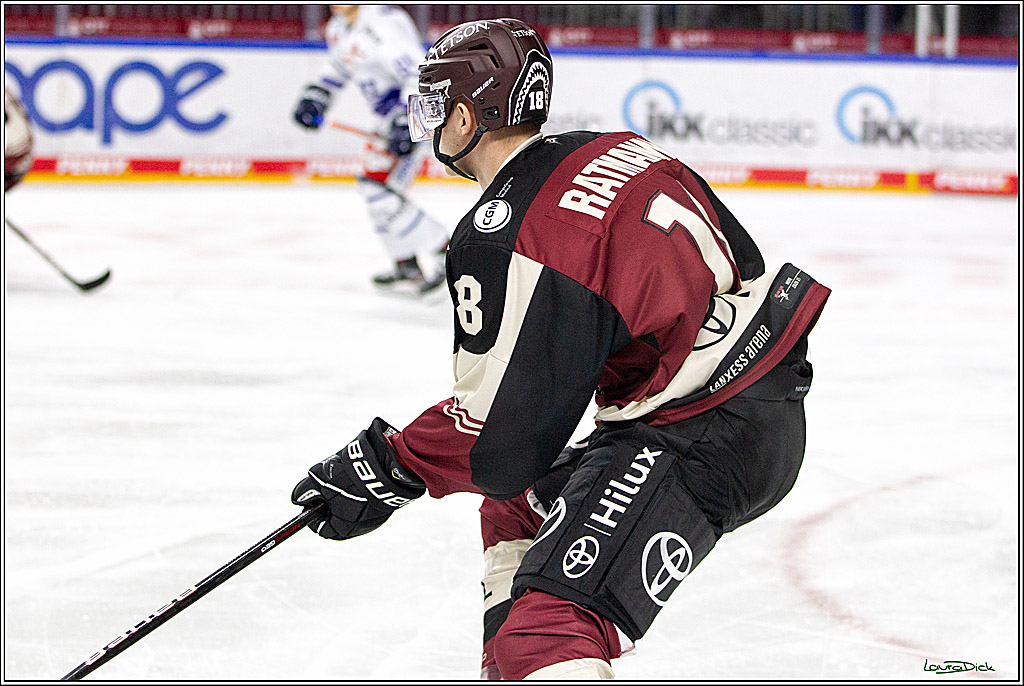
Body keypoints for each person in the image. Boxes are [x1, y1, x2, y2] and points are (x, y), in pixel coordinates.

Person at [291, 18, 831, 680]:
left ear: (466, 118)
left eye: (436, 108)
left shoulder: (504, 234)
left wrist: (386, 466)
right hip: (762, 394)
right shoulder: (619, 147)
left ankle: (533, 658)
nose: (430, 127)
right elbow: (734, 262)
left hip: (700, 433)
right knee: (516, 502)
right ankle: (510, 668)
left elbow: (497, 435)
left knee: (547, 637)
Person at [292, 4, 450, 296]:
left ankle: (446, 251)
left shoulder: (383, 23)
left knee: (376, 189)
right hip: (386, 122)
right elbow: (338, 66)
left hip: (412, 118)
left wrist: (407, 121)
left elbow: (418, 71)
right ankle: (406, 263)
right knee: (375, 190)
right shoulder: (339, 27)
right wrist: (316, 96)